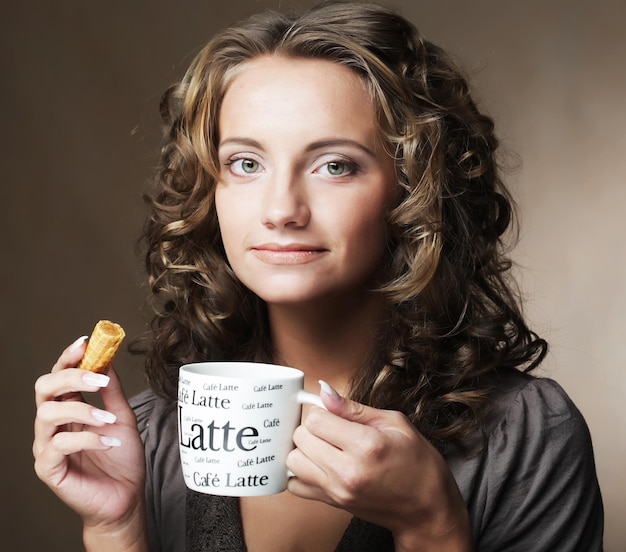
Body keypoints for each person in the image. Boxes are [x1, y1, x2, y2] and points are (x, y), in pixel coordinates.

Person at [33, 2, 604, 551]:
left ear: (413, 190)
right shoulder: (149, 438)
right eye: (246, 163)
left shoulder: (525, 435)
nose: (281, 209)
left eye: (335, 165)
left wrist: (432, 525)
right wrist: (115, 527)